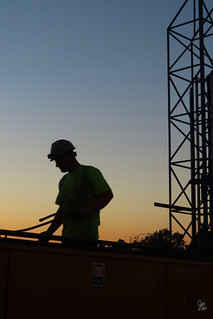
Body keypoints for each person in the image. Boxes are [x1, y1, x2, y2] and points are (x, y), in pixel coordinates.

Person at [41, 139, 113, 243]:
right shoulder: (63, 181)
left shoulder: (90, 172)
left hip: (87, 239)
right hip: (66, 239)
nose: (56, 165)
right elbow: (62, 210)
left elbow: (107, 195)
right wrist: (48, 233)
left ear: (69, 156)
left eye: (58, 160)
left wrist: (89, 211)